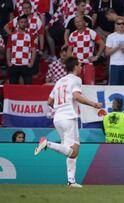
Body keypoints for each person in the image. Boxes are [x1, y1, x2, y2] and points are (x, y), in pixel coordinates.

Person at [34, 56, 102, 188]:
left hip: (58, 118)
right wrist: (93, 104)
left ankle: (71, 181)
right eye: (80, 65)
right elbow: (77, 96)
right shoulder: (76, 79)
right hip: (69, 117)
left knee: (70, 150)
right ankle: (47, 144)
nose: (81, 67)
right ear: (75, 66)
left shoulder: (59, 81)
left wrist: (59, 108)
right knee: (74, 151)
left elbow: (49, 101)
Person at [67, 16, 105, 85]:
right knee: (77, 86)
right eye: (76, 22)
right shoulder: (72, 35)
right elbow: (69, 50)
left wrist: (96, 56)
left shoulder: (91, 32)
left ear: (84, 22)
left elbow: (102, 44)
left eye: (80, 21)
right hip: (77, 64)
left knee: (89, 85)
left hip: (88, 63)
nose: (78, 23)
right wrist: (71, 61)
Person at [6, 14, 36, 84]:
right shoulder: (12, 35)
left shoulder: (30, 35)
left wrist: (31, 63)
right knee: (12, 87)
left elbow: (33, 50)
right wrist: (9, 62)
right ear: (18, 23)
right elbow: (8, 50)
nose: (23, 24)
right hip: (14, 64)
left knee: (28, 87)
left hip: (26, 64)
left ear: (27, 23)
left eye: (25, 22)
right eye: (21, 22)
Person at [105, 17, 124, 85]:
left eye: (123, 23)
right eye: (119, 23)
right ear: (116, 25)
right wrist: (117, 47)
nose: (121, 25)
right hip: (114, 64)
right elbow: (107, 52)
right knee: (114, 86)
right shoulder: (111, 36)